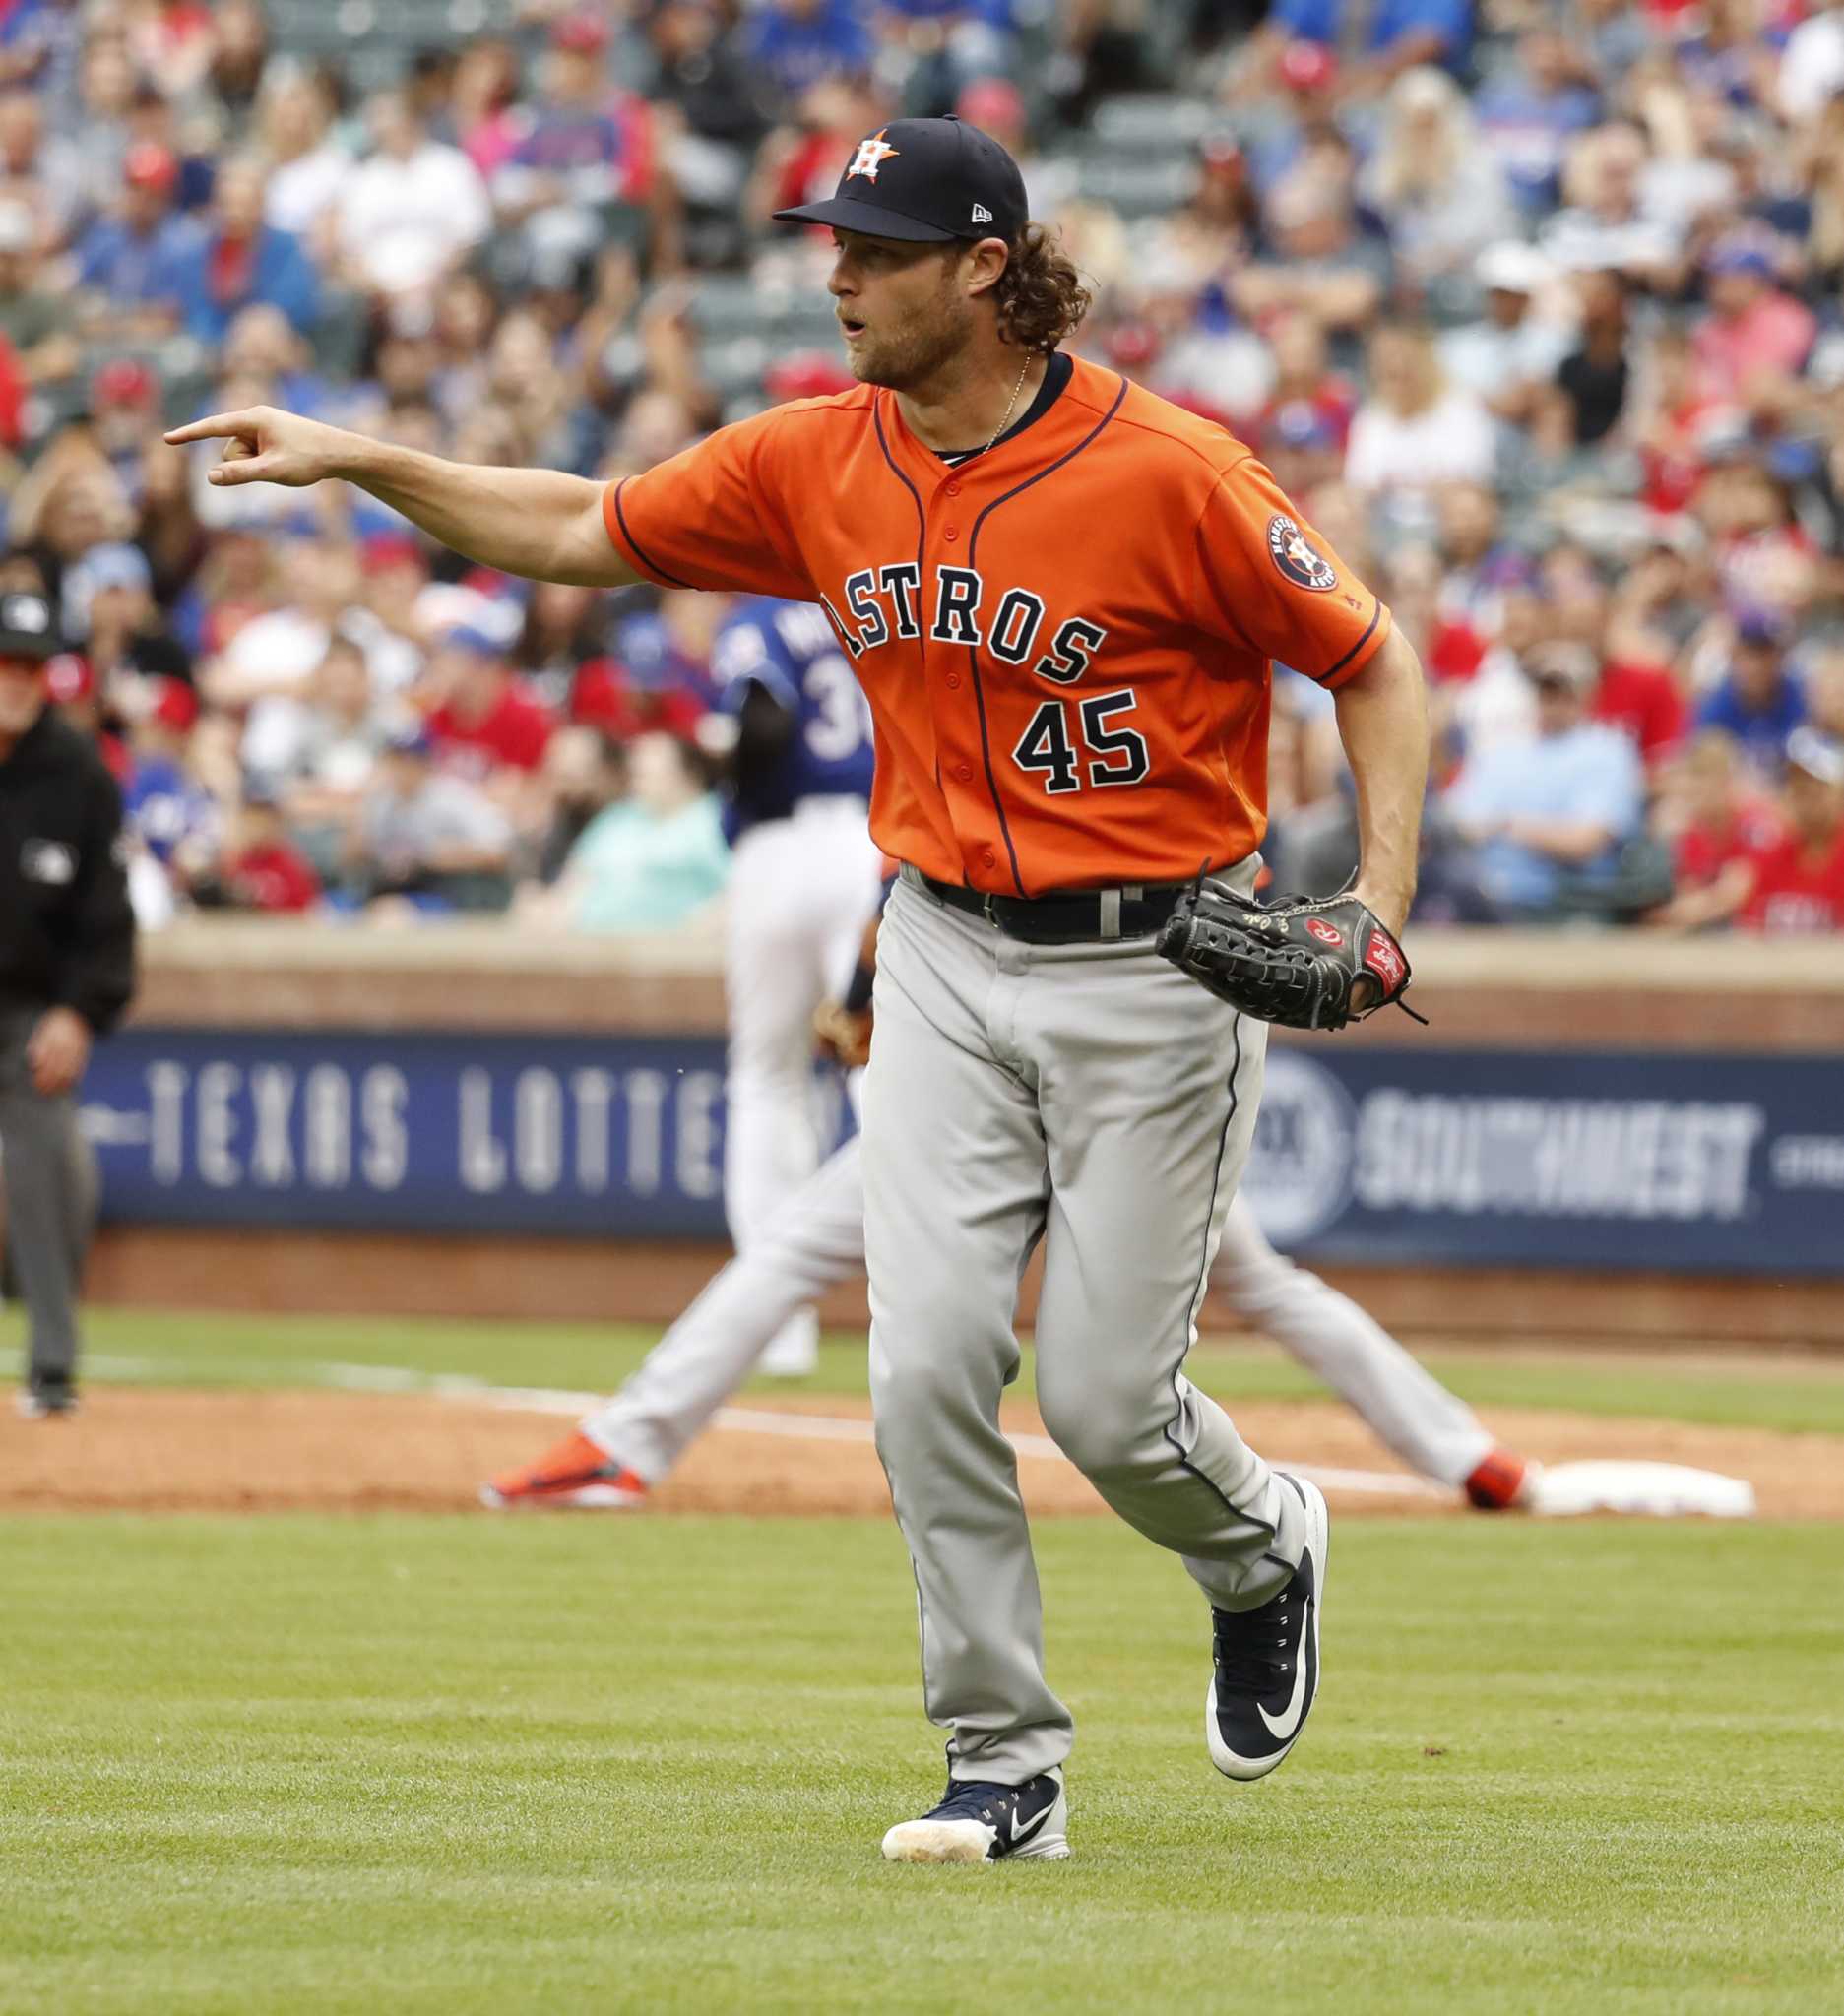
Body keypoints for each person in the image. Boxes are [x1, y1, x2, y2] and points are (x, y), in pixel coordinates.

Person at [167, 112, 1431, 1866]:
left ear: (985, 268)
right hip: (935, 943)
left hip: (1156, 957)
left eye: (875, 248)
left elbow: (1373, 665)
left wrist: (1377, 897)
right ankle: (1002, 1762)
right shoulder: (812, 456)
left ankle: (1255, 1542)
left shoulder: (1170, 469)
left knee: (1104, 1403)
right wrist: (354, 453)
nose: (834, 273)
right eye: (832, 241)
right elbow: (574, 525)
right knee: (916, 1368)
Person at [484, 913, 1530, 1515]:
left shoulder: (960, 767)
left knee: (796, 1246)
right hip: (1112, 1069)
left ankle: (626, 1440)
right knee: (1267, 1283)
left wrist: (855, 1008)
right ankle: (1463, 1452)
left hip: (1012, 1085)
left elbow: (887, 947)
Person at [712, 596, 879, 1376]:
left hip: (782, 847)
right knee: (884, 1080)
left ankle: (776, 1331)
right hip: (876, 840)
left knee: (768, 1079)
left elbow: (764, 723)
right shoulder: (872, 595)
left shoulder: (760, 617)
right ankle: (917, 1311)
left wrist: (721, 768)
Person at [0, 589, 135, 1418]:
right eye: (2, 664)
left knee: (55, 1171)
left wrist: (79, 1013)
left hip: (25, 1016)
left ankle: (51, 1369)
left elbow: (106, 917)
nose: (14, 680)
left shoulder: (78, 772)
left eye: (27, 665)